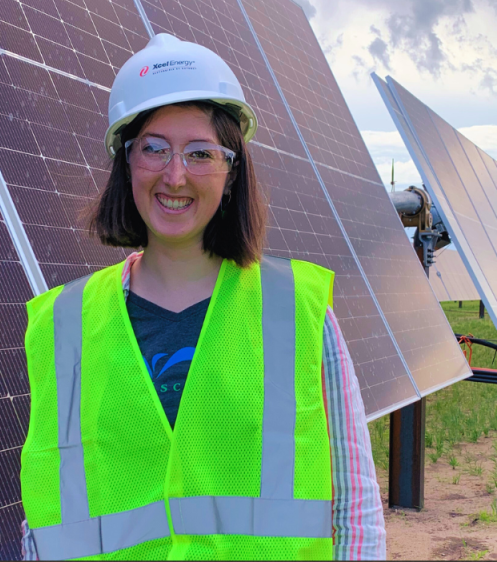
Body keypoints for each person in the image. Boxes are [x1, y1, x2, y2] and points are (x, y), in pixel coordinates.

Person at [19, 33, 385, 560]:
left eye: (201, 153)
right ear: (126, 163)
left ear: (232, 172)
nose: (175, 175)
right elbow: (46, 521)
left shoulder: (297, 311)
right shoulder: (64, 324)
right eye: (154, 148)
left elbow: (354, 508)